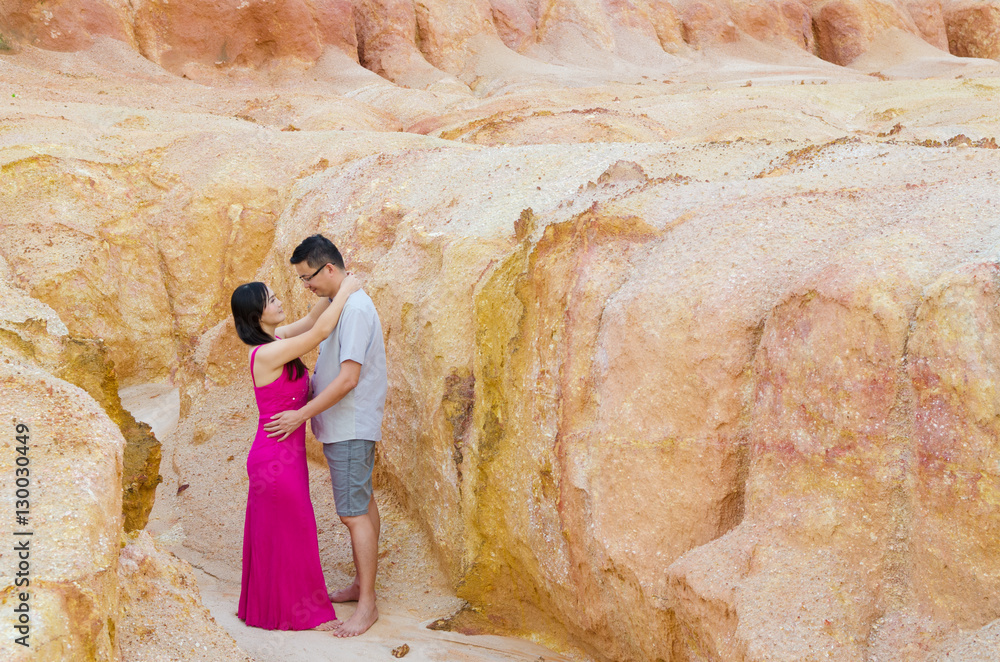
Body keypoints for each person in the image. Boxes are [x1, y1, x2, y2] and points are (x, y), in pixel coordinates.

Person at [264, 234, 387, 638]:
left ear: (328, 269)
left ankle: (367, 605)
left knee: (352, 513)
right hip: (348, 425)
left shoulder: (352, 310)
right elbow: (314, 326)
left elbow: (349, 378)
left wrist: (300, 414)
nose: (305, 286)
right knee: (363, 503)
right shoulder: (342, 303)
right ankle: (360, 586)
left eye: (307, 278)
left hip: (349, 425)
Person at [230, 273, 361, 631]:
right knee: (290, 530)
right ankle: (287, 613)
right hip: (273, 460)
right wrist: (348, 290)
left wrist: (334, 287)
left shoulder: (278, 338)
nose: (278, 303)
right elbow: (318, 334)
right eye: (271, 300)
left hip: (285, 457)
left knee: (290, 530)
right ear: (257, 314)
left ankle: (277, 608)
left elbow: (310, 322)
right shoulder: (268, 352)